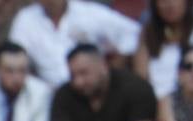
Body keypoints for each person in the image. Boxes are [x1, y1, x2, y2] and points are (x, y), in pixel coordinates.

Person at [8, 0, 140, 87]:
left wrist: (113, 69)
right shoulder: (26, 19)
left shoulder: (89, 13)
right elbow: (14, 56)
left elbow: (133, 34)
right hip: (49, 95)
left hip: (92, 89)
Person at [133, 0, 193, 99]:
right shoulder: (147, 32)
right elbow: (141, 78)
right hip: (151, 100)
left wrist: (168, 104)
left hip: (188, 100)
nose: (170, 4)